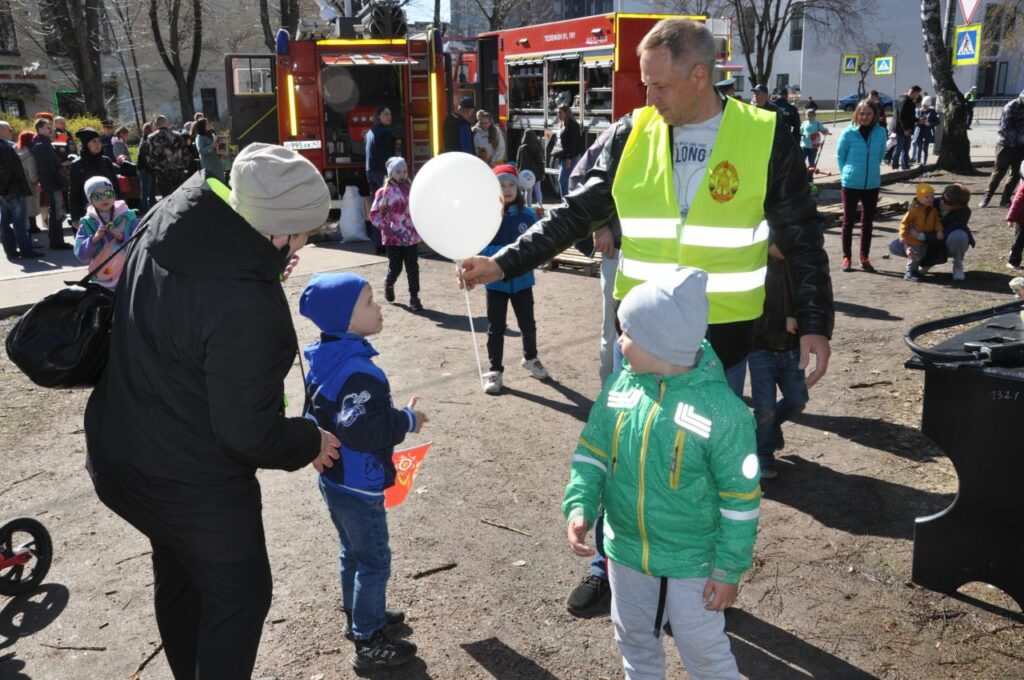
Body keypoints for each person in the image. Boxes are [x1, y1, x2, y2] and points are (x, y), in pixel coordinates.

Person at [460, 16, 832, 422]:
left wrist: (814, 322)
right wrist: (503, 262)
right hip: (641, 341)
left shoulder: (765, 135)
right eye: (645, 84)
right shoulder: (630, 134)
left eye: (660, 86)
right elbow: (576, 213)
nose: (649, 97)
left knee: (708, 451)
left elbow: (801, 236)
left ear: (699, 76)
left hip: (722, 344)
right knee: (635, 448)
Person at [84, 143, 339, 679]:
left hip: (123, 447)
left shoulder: (174, 216)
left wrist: (259, 264)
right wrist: (309, 438)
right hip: (190, 481)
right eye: (302, 235)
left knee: (180, 576)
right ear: (278, 232)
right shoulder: (248, 303)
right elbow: (248, 434)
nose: (302, 245)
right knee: (239, 596)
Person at [563, 266, 759, 680]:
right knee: (632, 638)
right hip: (625, 550)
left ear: (660, 343)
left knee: (702, 649)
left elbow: (740, 500)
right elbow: (592, 453)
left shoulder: (723, 413)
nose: (620, 341)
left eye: (627, 333)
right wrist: (580, 504)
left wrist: (727, 570)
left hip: (693, 560)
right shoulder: (619, 389)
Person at [298, 271, 427, 670]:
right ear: (346, 320)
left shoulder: (324, 355)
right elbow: (363, 430)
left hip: (334, 478)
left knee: (352, 551)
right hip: (358, 483)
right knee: (374, 560)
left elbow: (312, 410)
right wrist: (407, 419)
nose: (379, 307)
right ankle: (369, 640)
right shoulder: (360, 372)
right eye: (369, 302)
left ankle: (358, 613)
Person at [481, 164, 549, 394]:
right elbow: (482, 249)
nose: (508, 189)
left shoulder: (528, 215)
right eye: (502, 185)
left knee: (527, 325)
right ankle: (495, 371)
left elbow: (537, 246)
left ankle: (531, 358)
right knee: (496, 328)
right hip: (495, 284)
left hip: (522, 283)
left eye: (512, 185)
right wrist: (508, 253)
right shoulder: (488, 217)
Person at [748, 240, 807, 479]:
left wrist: (795, 314)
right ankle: (763, 452)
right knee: (765, 409)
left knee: (798, 399)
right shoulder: (752, 265)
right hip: (760, 348)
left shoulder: (799, 264)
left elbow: (811, 297)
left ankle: (770, 429)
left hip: (791, 347)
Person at [836, 100, 887, 272]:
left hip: (872, 183)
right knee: (848, 221)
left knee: (867, 221)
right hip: (851, 183)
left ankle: (864, 257)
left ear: (874, 115)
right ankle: (846, 257)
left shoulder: (881, 132)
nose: (864, 117)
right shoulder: (848, 132)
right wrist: (846, 173)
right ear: (857, 114)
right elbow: (840, 156)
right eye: (861, 113)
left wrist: (871, 169)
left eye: (868, 114)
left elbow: (880, 155)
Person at [370, 156, 422, 311]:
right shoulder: (383, 193)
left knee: (412, 267)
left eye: (404, 171)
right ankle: (389, 283)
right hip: (393, 238)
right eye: (398, 172)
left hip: (410, 236)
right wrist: (384, 226)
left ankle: (414, 297)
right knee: (396, 267)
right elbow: (374, 214)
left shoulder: (411, 190)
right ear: (391, 173)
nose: (402, 174)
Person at [73, 176, 139, 289]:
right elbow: (81, 255)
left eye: (108, 194)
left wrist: (122, 237)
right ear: (90, 200)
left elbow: (141, 246)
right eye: (97, 196)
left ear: (114, 195)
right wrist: (94, 239)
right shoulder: (87, 223)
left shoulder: (128, 217)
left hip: (129, 275)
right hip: (101, 278)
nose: (104, 199)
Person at [978, 90, 1024, 209]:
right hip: (1006, 145)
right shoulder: (1010, 107)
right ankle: (986, 197)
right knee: (998, 172)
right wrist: (1020, 137)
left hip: (1021, 147)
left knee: (1016, 173)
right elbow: (1005, 128)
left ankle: (1005, 199)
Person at [68, 128, 121, 228]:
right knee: (94, 236)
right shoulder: (77, 165)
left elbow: (115, 186)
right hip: (88, 212)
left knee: (113, 235)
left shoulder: (106, 161)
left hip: (110, 210)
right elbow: (73, 193)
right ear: (86, 144)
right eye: (94, 141)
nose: (98, 144)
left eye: (99, 141)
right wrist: (75, 218)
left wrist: (121, 207)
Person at [31, 118, 72, 250]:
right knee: (56, 213)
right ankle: (57, 243)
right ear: (40, 129)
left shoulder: (43, 143)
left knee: (55, 212)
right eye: (48, 128)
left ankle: (56, 241)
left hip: (51, 182)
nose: (51, 130)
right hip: (52, 183)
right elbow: (49, 168)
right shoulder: (41, 145)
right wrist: (60, 178)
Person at [0, 121, 38, 259]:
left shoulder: (6, 146)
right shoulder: (5, 147)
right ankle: (26, 251)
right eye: (9, 129)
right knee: (19, 224)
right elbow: (6, 171)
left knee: (4, 224)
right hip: (13, 191)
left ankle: (11, 251)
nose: (11, 131)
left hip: (6, 191)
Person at [897, 183, 943, 282]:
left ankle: (915, 271)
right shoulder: (914, 210)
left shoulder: (932, 209)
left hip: (924, 238)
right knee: (914, 255)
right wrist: (903, 235)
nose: (930, 199)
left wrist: (939, 230)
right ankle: (909, 272)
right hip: (913, 239)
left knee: (920, 255)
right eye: (927, 197)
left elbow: (937, 221)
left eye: (932, 197)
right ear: (919, 197)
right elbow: (904, 222)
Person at [939, 183, 974, 282]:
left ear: (958, 206)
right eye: (942, 197)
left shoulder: (964, 212)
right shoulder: (930, 202)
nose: (942, 202)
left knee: (958, 236)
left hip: (946, 240)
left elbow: (949, 230)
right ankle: (919, 264)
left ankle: (958, 266)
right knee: (898, 246)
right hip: (928, 238)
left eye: (948, 202)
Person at [147, 115, 188, 198]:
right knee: (180, 197)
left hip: (162, 173)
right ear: (168, 123)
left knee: (167, 198)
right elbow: (185, 154)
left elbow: (149, 157)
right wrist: (184, 165)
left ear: (156, 125)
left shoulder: (151, 138)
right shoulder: (178, 136)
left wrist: (154, 168)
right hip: (178, 171)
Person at [16, 130, 43, 235]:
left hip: (18, 184)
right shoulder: (30, 155)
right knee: (31, 206)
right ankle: (32, 226)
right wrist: (38, 180)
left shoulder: (15, 150)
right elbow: (33, 176)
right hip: (29, 185)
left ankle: (28, 227)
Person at [553, 103, 583, 197]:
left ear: (566, 113)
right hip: (562, 157)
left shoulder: (573, 125)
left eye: (560, 113)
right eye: (558, 113)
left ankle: (565, 202)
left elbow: (574, 143)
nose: (558, 115)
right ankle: (565, 201)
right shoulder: (562, 124)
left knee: (563, 180)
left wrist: (569, 158)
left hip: (570, 158)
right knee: (564, 181)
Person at [892, 85, 923, 170]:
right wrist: (905, 129)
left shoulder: (907, 100)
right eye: (917, 94)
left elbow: (909, 116)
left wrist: (917, 120)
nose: (918, 96)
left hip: (906, 128)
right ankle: (895, 165)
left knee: (906, 148)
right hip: (902, 129)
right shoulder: (904, 100)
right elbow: (901, 116)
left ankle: (905, 165)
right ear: (914, 92)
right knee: (899, 147)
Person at [515, 129, 546, 210]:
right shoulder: (538, 147)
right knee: (538, 190)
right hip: (536, 173)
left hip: (526, 173)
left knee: (528, 191)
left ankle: (528, 207)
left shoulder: (521, 148)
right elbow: (540, 161)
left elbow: (518, 161)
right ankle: (540, 206)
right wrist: (542, 173)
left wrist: (518, 171)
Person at [800, 109, 830, 183]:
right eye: (808, 116)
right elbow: (800, 131)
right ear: (806, 116)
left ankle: (810, 178)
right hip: (804, 145)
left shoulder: (817, 123)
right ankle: (801, 176)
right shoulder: (804, 123)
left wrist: (826, 131)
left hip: (813, 147)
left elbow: (823, 130)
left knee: (811, 162)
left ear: (814, 116)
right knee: (800, 161)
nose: (809, 117)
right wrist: (802, 134)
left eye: (811, 116)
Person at [1005, 162, 1024, 269]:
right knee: (1019, 242)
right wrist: (1011, 218)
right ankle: (1013, 261)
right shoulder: (1023, 189)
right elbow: (1016, 203)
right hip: (1022, 221)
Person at [193, 118, 225, 182]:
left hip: (217, 163)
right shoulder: (200, 137)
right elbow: (201, 150)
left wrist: (221, 146)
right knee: (213, 182)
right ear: (202, 126)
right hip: (209, 165)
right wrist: (212, 146)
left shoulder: (212, 134)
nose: (209, 124)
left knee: (221, 182)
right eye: (207, 123)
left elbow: (216, 145)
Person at [912, 97, 939, 165]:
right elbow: (914, 121)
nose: (924, 107)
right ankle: (918, 162)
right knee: (919, 148)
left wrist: (930, 124)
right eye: (923, 105)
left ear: (929, 105)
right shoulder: (918, 111)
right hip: (919, 132)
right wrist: (919, 122)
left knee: (925, 148)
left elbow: (937, 122)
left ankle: (924, 163)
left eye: (926, 106)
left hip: (927, 132)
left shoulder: (932, 112)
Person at [136, 122, 155, 213]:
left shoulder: (144, 140)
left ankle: (152, 206)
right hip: (145, 169)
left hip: (147, 169)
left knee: (150, 190)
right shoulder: (146, 141)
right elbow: (145, 158)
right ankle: (143, 210)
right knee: (146, 191)